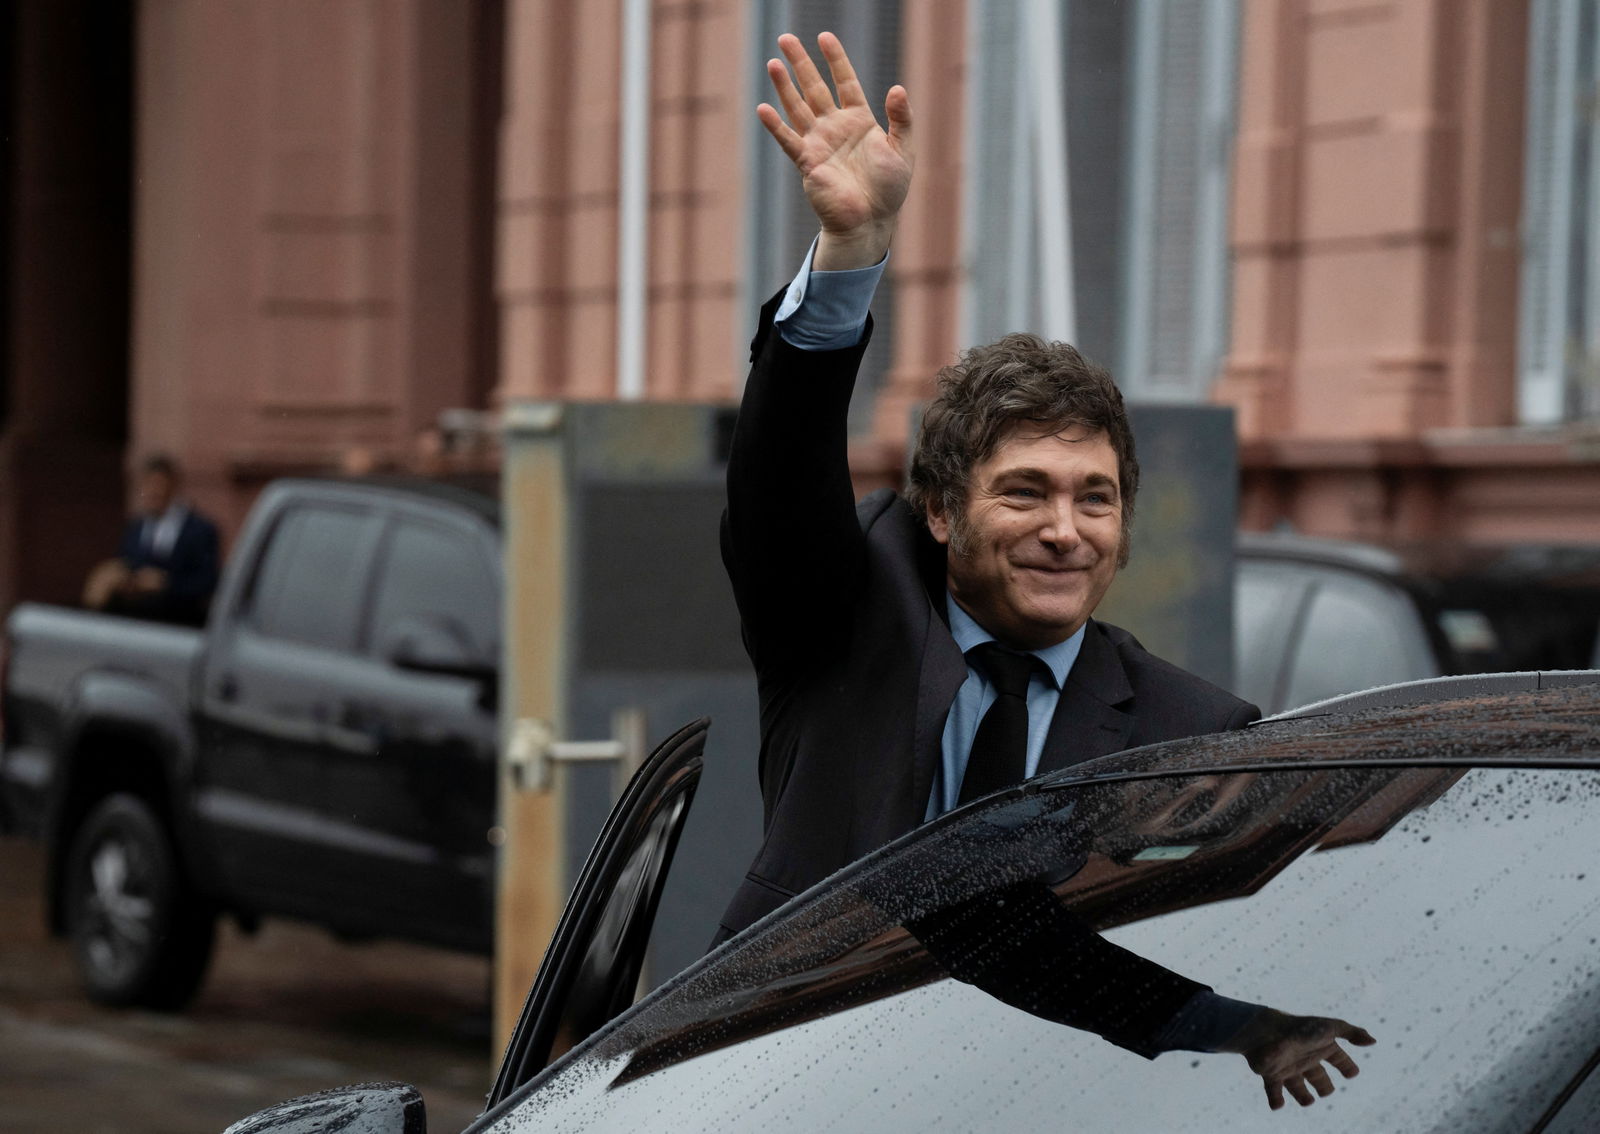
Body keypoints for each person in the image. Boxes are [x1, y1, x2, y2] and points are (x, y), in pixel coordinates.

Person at [718, 32, 1372, 1110]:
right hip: (780, 1092)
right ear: (938, 509)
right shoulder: (843, 620)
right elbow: (780, 481)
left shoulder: (1194, 730)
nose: (1065, 530)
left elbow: (1268, 924)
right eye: (1024, 492)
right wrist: (852, 255)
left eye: (1095, 497)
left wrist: (1254, 1030)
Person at [83, 454, 220, 626]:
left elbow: (207, 581)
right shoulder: (136, 528)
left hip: (179, 624)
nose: (152, 491)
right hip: (138, 623)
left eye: (158, 484)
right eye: (147, 485)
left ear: (173, 486)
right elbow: (126, 563)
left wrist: (167, 584)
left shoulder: (200, 530)